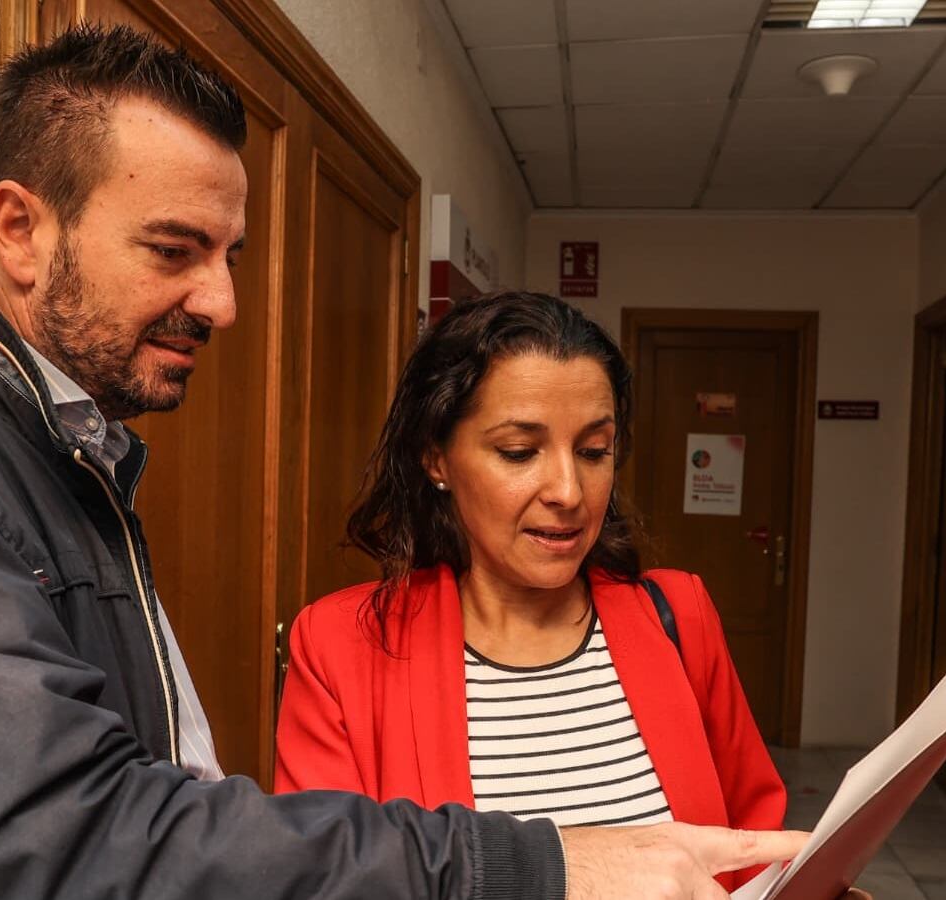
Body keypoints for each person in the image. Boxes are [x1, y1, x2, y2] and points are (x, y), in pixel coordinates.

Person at [0, 24, 806, 900]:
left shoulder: (69, 456)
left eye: (228, 255)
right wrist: (544, 863)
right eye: (174, 249)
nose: (223, 302)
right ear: (20, 228)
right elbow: (74, 844)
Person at [275, 292, 786, 891]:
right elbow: (329, 879)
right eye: (520, 452)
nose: (569, 490)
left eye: (595, 451)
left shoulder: (679, 618)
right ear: (436, 457)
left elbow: (754, 848)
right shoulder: (344, 645)